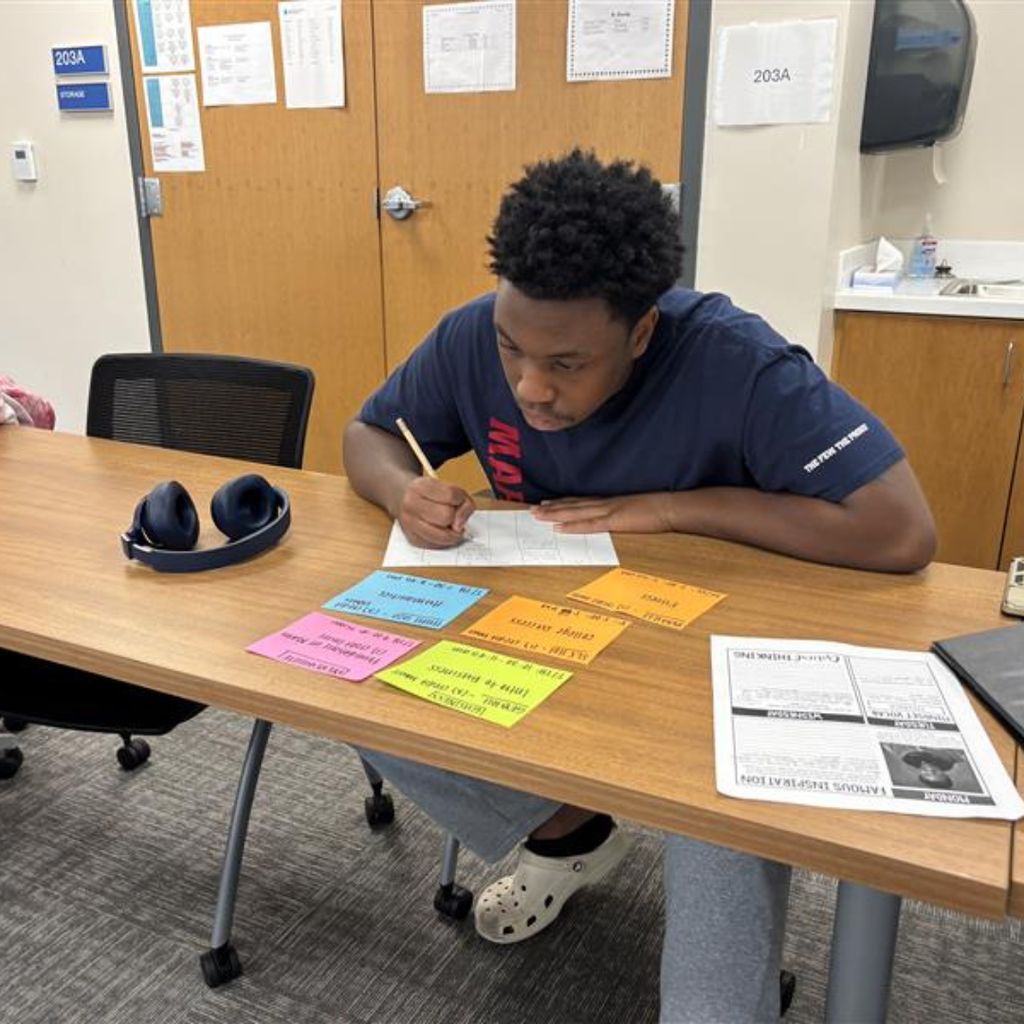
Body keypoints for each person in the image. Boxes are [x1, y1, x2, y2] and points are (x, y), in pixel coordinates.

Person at [343, 149, 936, 1022]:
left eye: (567, 364)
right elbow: (367, 435)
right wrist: (404, 490)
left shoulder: (737, 360)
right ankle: (568, 833)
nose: (530, 388)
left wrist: (671, 508)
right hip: (553, 628)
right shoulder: (473, 333)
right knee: (355, 678)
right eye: (514, 350)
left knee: (710, 987)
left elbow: (901, 529)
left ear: (642, 332)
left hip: (702, 674)